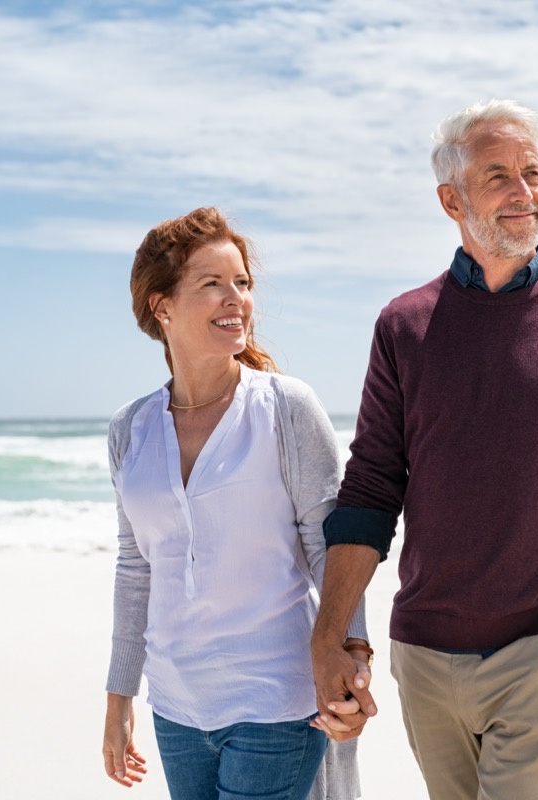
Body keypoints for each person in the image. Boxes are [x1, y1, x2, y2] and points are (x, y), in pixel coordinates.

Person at [309, 100, 538, 799]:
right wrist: (330, 634)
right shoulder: (404, 325)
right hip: (423, 656)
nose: (523, 192)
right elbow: (372, 487)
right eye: (498, 174)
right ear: (451, 199)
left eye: (532, 173)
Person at [101, 207, 370, 800]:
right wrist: (120, 699)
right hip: (176, 707)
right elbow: (136, 569)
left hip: (277, 700)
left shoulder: (286, 409)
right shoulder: (130, 429)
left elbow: (331, 550)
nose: (237, 299)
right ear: (161, 306)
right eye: (212, 283)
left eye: (242, 283)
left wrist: (353, 656)